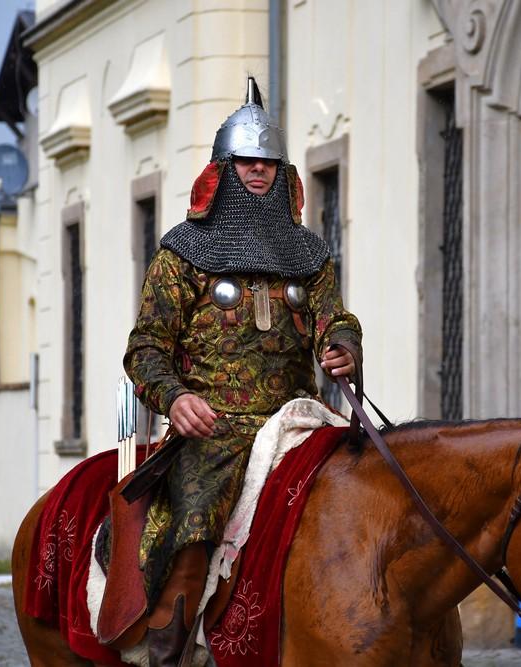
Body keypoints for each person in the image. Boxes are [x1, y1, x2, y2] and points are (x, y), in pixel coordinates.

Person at [123, 76, 362, 666]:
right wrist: (176, 398)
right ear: (223, 170)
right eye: (246, 162)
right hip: (215, 428)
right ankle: (170, 645)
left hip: (298, 418)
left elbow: (337, 317)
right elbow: (145, 348)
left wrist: (343, 345)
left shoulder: (308, 254)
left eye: (269, 164)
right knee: (199, 510)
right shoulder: (183, 251)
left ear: (284, 175)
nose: (259, 172)